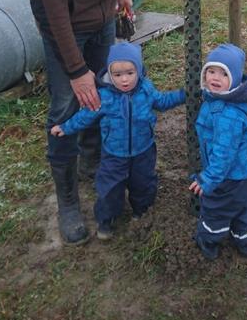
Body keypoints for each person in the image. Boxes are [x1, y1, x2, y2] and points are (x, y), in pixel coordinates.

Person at [14, 0, 133, 246]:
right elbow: (49, 10)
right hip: (65, 30)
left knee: (101, 90)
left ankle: (92, 160)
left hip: (102, 21)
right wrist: (75, 69)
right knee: (67, 106)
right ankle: (67, 199)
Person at [50, 42, 185, 240]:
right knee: (110, 189)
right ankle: (106, 221)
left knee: (144, 184)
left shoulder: (146, 90)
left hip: (144, 151)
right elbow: (85, 116)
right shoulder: (105, 96)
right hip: (114, 154)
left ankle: (142, 212)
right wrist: (65, 127)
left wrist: (184, 94)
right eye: (118, 74)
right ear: (109, 73)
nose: (124, 79)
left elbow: (163, 102)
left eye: (130, 73)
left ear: (138, 70)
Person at [189, 43, 247, 260]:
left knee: (215, 210)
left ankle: (208, 241)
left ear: (234, 79)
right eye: (211, 71)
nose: (215, 77)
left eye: (223, 74)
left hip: (229, 178)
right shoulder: (223, 99)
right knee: (243, 210)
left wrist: (208, 180)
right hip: (246, 175)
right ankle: (245, 242)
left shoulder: (228, 115)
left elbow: (223, 155)